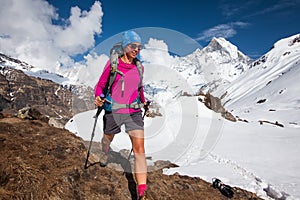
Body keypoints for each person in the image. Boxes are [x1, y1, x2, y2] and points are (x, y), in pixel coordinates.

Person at [94, 30, 148, 199]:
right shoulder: (113, 65)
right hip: (113, 109)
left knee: (139, 149)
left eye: (139, 47)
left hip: (133, 111)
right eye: (133, 46)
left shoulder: (139, 67)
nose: (137, 50)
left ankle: (141, 191)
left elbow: (140, 88)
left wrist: (143, 101)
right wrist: (98, 97)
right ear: (125, 46)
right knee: (108, 136)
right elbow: (100, 85)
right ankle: (105, 150)